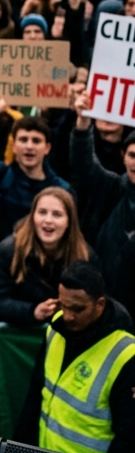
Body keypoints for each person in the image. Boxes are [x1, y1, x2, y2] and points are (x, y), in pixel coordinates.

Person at [16, 261, 135, 453]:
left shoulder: (125, 354)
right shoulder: (55, 329)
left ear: (100, 304)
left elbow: (129, 437)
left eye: (78, 309)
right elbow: (35, 397)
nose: (68, 315)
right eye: (63, 305)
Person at [0, 105, 74, 247]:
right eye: (23, 140)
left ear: (47, 148)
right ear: (13, 146)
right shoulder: (0, 176)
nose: (29, 146)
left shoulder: (62, 191)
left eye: (36, 141)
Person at [70, 92, 135, 317]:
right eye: (133, 155)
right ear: (123, 156)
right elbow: (85, 163)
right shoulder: (112, 188)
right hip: (106, 300)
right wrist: (83, 124)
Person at [0, 187, 90, 326]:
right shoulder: (8, 250)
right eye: (42, 212)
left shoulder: (84, 255)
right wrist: (33, 311)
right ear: (32, 216)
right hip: (19, 335)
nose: (48, 220)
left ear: (69, 222)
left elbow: (94, 304)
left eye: (57, 214)